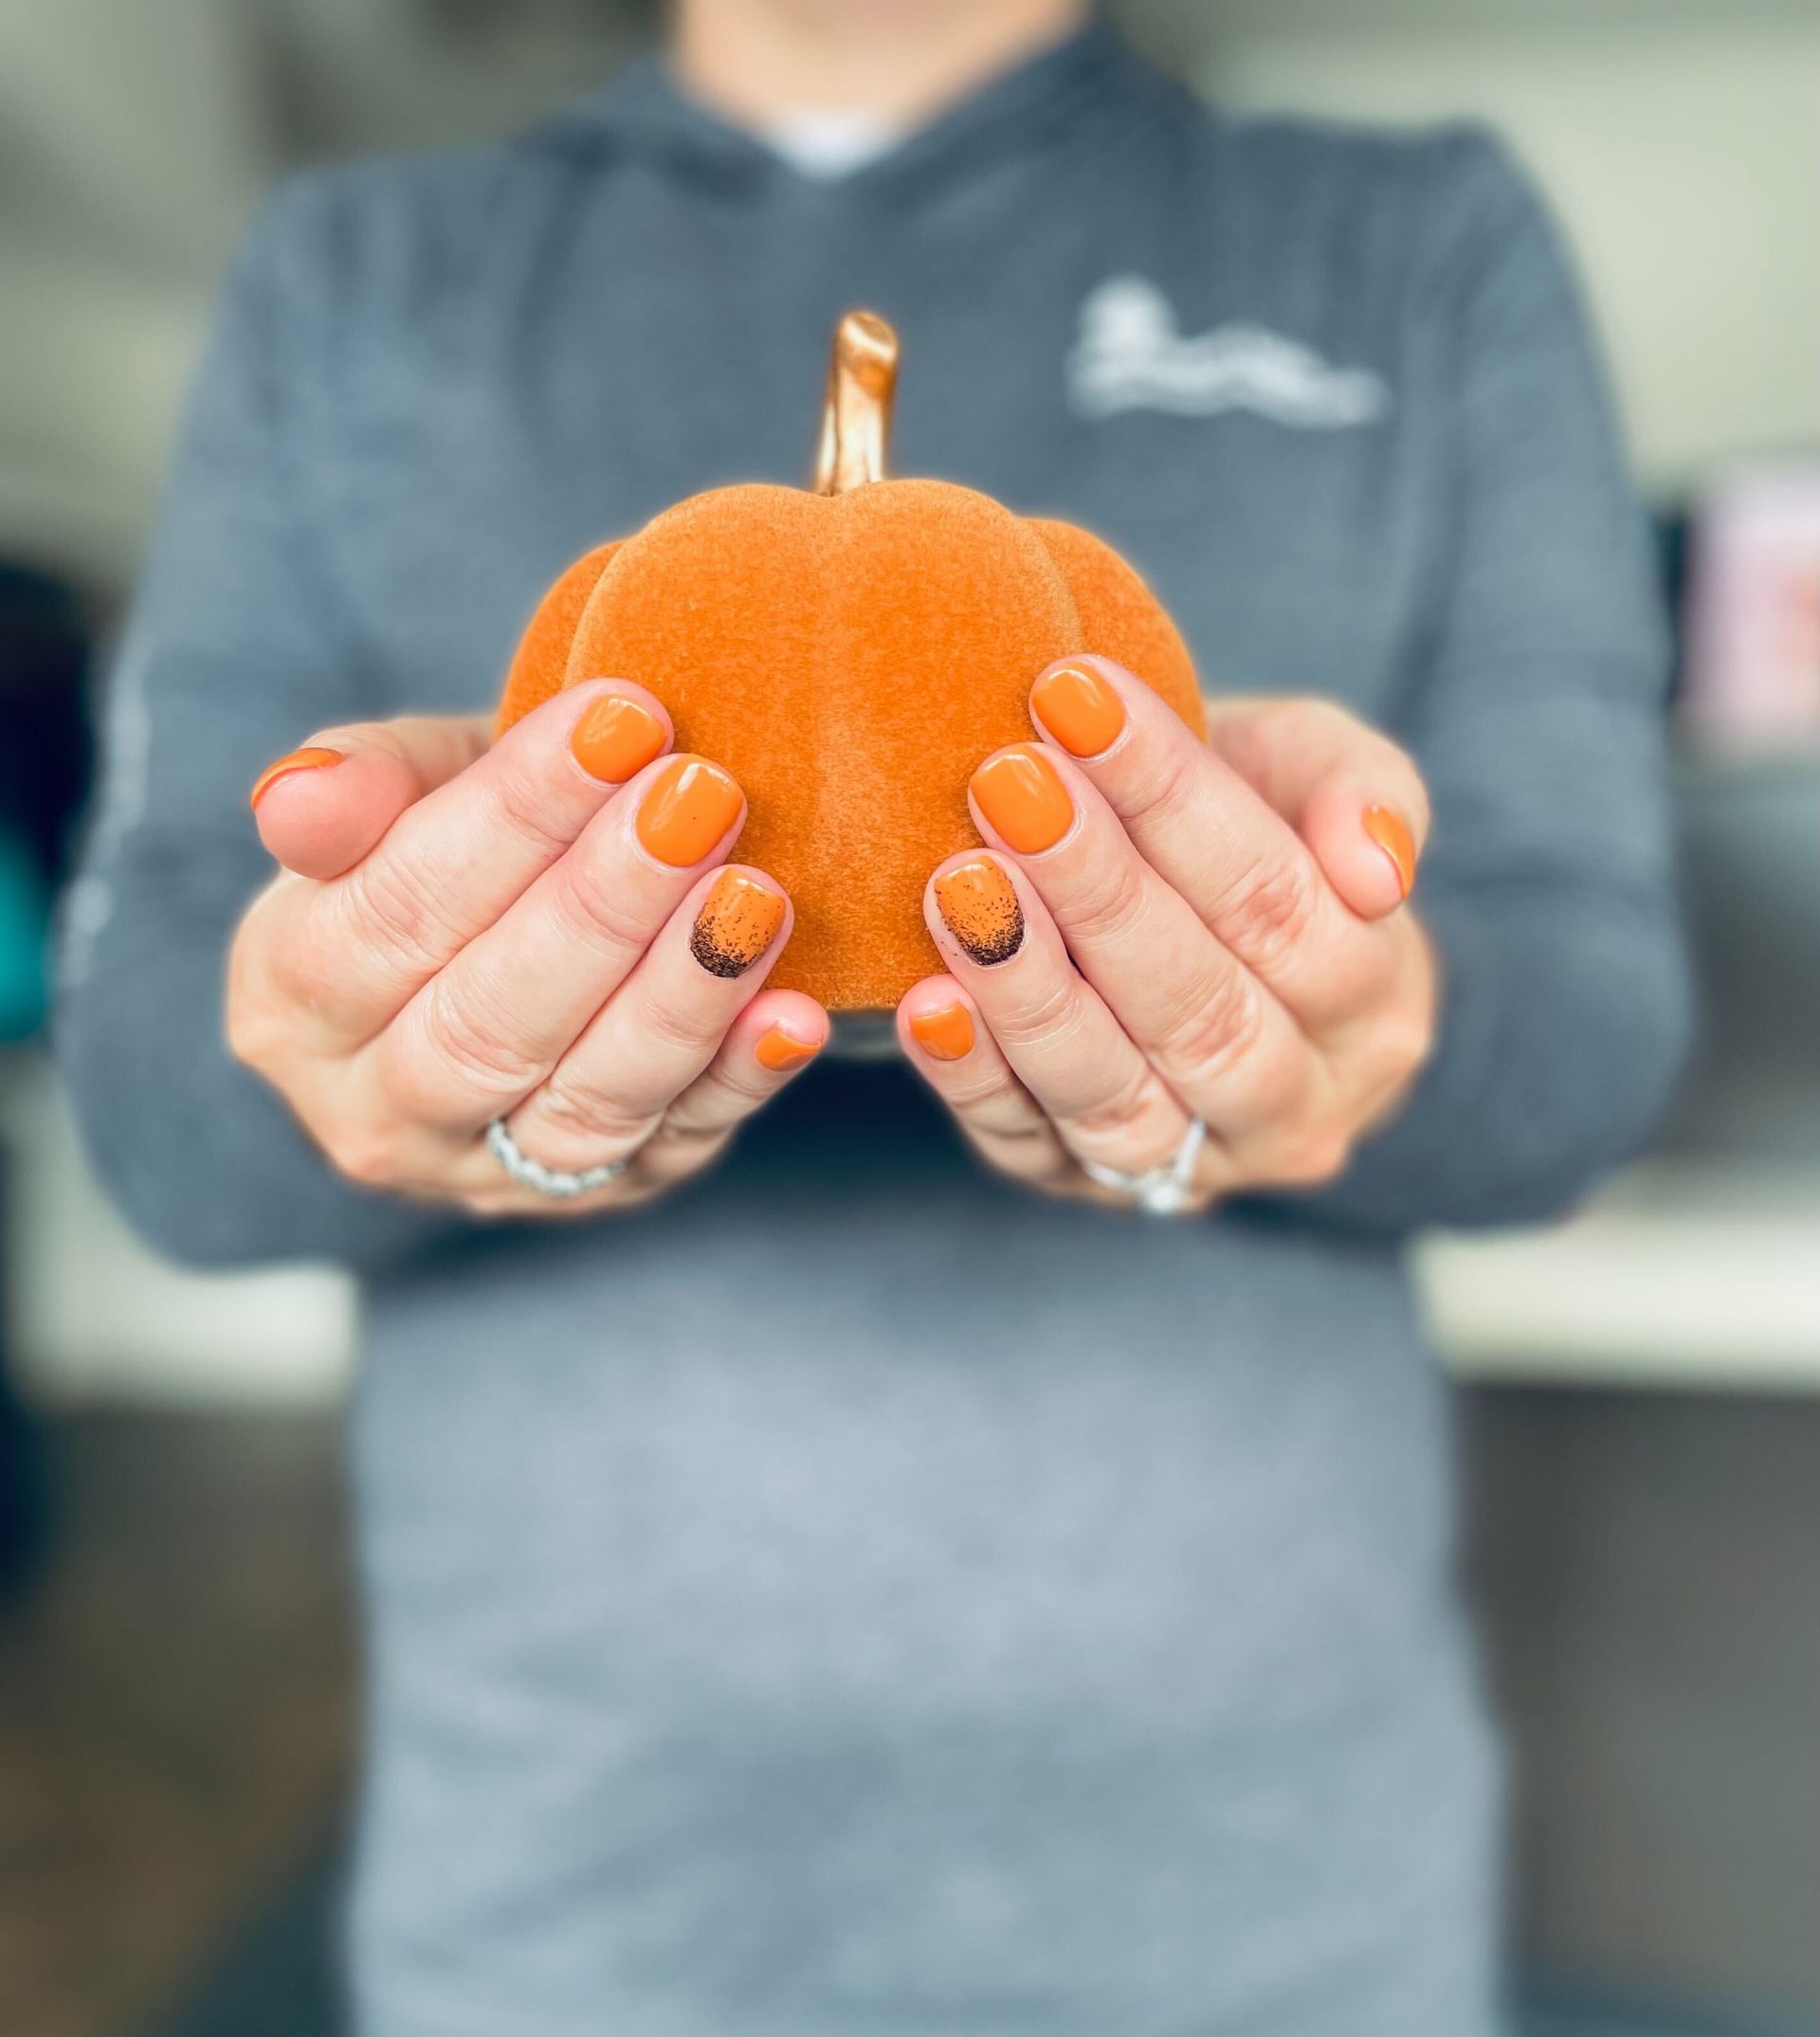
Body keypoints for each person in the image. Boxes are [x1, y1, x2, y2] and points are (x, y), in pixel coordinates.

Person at [57, 1, 1689, 2029]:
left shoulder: (1417, 238)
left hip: (1269, 1909)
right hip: (570, 1914)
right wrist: (335, 1055)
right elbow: (150, 1092)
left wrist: (1364, 1010)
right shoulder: (352, 275)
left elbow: (1601, 1029)